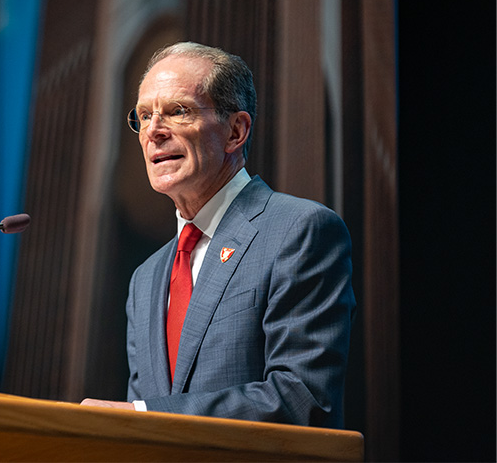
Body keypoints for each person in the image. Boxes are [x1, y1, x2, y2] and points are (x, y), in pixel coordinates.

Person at [81, 41, 356, 429]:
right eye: (143, 116)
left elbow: (302, 398)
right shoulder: (146, 278)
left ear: (235, 131)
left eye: (178, 111)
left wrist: (143, 416)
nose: (153, 131)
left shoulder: (300, 231)